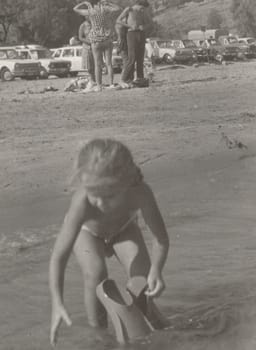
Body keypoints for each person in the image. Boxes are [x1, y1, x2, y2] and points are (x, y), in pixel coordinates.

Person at [49, 138, 169, 346]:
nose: (101, 203)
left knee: (141, 281)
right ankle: (98, 332)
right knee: (96, 272)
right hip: (87, 233)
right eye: (95, 195)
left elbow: (160, 240)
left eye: (110, 195)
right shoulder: (83, 202)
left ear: (127, 181)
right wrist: (57, 304)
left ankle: (148, 314)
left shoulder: (140, 192)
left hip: (123, 229)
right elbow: (58, 258)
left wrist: (156, 270)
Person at [74, 1, 120, 92]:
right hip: (107, 38)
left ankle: (99, 86)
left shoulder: (90, 11)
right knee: (109, 64)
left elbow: (75, 9)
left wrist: (84, 3)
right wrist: (108, 3)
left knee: (97, 65)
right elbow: (118, 8)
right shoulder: (105, 9)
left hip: (95, 40)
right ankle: (111, 84)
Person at [116, 0, 151, 88]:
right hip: (131, 33)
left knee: (140, 58)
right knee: (132, 58)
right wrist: (130, 26)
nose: (142, 10)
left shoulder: (143, 11)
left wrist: (144, 26)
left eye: (143, 9)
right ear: (139, 5)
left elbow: (149, 23)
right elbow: (118, 20)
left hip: (141, 34)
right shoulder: (129, 9)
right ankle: (123, 79)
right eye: (142, 8)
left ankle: (140, 78)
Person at [78, 19, 96, 92]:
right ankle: (91, 81)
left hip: (95, 48)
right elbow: (80, 37)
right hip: (87, 47)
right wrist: (89, 42)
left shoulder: (95, 23)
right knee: (89, 66)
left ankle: (96, 81)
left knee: (96, 65)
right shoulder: (83, 25)